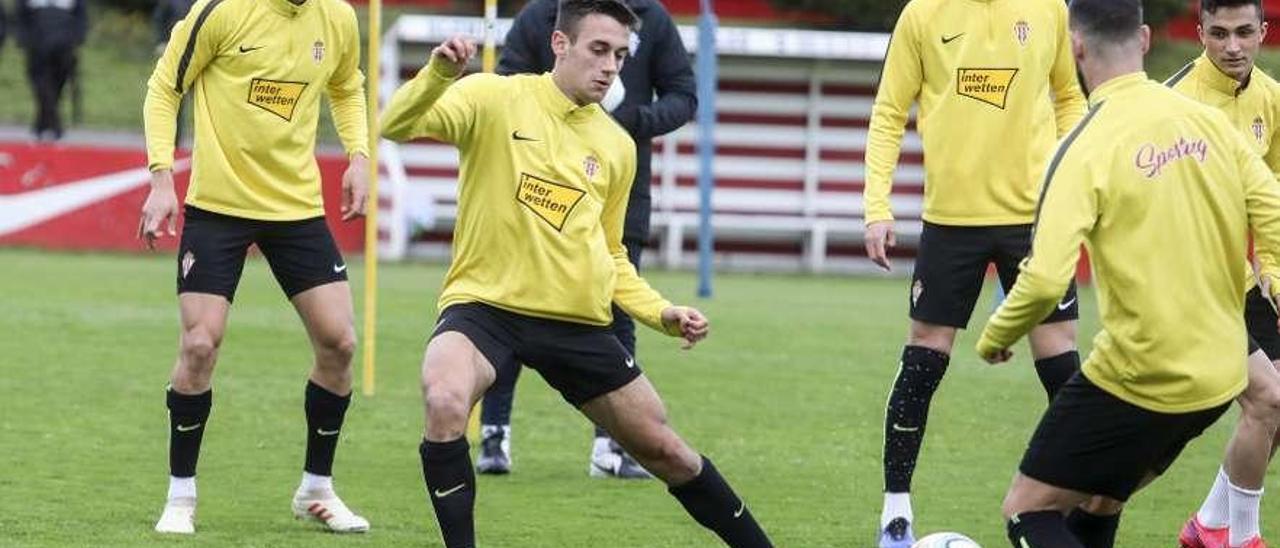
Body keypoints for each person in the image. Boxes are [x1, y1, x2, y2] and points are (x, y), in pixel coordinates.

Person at [379, 1, 772, 546]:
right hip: (486, 309)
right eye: (599, 50)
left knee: (667, 450)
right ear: (560, 45)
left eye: (620, 54)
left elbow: (610, 254)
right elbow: (395, 124)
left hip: (578, 324)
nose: (612, 66)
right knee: (444, 399)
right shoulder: (493, 97)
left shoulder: (615, 145)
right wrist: (439, 75)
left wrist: (662, 312)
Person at [977, 1, 1280, 546]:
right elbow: (1273, 205)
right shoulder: (1203, 117)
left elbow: (1046, 280)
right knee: (1103, 495)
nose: (1233, 45)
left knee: (1028, 510)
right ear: (1144, 39)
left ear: (1074, 47)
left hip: (1141, 369)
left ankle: (1225, 528)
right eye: (1220, 33)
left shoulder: (1082, 144)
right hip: (1218, 369)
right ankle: (1215, 526)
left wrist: (994, 337)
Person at [137, 0, 372, 535]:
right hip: (218, 208)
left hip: (297, 209)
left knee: (340, 344)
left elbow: (347, 85)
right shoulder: (219, 11)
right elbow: (164, 87)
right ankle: (181, 496)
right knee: (200, 344)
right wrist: (160, 178)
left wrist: (359, 157)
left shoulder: (335, 17)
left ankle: (316, 487)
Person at [862, 0, 1087, 544]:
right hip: (950, 221)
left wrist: (1080, 183)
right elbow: (889, 110)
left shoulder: (1049, 9)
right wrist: (877, 206)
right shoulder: (922, 14)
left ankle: (1084, 502)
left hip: (1035, 220)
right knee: (923, 363)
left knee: (1064, 371)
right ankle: (896, 509)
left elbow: (1068, 97)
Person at [476, 0, 697, 480]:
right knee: (506, 310)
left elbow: (684, 96)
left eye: (616, 53)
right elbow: (506, 83)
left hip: (616, 192)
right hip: (529, 197)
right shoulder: (541, 16)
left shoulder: (651, 19)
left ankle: (612, 448)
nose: (608, 62)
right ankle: (494, 435)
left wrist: (631, 123)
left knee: (617, 312)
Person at [1164, 2, 1280, 547]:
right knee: (1269, 401)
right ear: (1200, 33)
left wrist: (1273, 270)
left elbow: (1273, 195)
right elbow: (1174, 213)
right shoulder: (1174, 104)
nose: (1232, 46)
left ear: (1263, 31)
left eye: (1243, 32)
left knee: (1277, 407)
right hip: (1191, 279)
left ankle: (1210, 523)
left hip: (1243, 279)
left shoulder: (1270, 97)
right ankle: (1243, 538)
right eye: (1219, 33)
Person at [15, 0, 87, 141]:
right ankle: (55, 125)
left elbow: (80, 16)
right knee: (41, 86)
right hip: (37, 45)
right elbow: (20, 15)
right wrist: (23, 39)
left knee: (57, 87)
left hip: (63, 45)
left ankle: (41, 124)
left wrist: (77, 38)